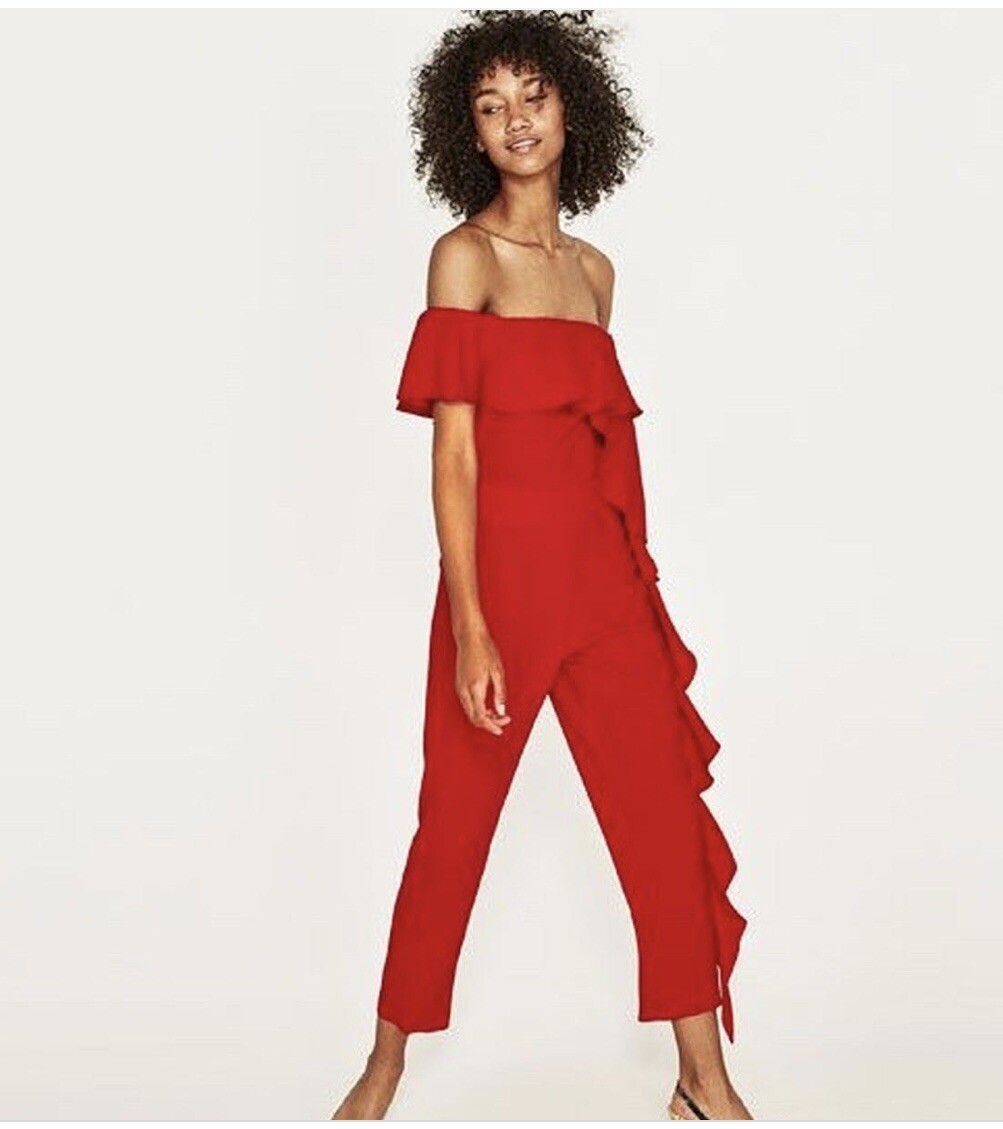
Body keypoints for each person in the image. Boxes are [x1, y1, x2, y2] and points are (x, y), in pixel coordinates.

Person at [333, 11, 754, 1121]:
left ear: (573, 108)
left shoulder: (595, 273)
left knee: (659, 822)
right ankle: (382, 1069)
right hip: (504, 593)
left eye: (534, 97)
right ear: (466, 132)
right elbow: (455, 456)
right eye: (491, 106)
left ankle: (703, 1080)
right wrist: (471, 623)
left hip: (605, 588)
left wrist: (636, 596)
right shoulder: (463, 258)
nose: (516, 121)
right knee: (454, 829)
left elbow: (597, 454)